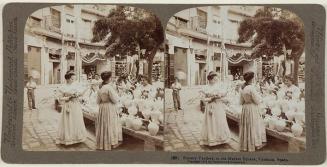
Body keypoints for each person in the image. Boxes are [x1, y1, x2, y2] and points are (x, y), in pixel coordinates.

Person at [200, 71, 231, 147]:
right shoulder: (205, 88)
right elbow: (203, 99)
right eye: (214, 79)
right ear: (210, 79)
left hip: (218, 106)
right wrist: (211, 99)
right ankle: (212, 139)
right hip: (210, 106)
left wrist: (220, 96)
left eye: (216, 79)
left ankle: (221, 139)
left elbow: (223, 95)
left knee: (220, 121)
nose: (215, 81)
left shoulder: (218, 87)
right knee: (211, 122)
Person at [56, 72, 88, 145]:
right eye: (72, 78)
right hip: (68, 105)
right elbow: (59, 98)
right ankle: (68, 138)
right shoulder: (62, 87)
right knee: (68, 121)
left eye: (74, 78)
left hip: (76, 105)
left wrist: (78, 96)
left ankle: (77, 138)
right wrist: (69, 97)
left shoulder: (76, 86)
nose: (73, 80)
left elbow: (81, 94)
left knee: (76, 120)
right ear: (67, 78)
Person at [239, 71, 267, 152]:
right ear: (252, 79)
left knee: (247, 126)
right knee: (253, 125)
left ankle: (246, 144)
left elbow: (240, 102)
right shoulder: (251, 88)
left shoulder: (243, 88)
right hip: (252, 108)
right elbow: (257, 101)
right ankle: (254, 143)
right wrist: (261, 98)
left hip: (245, 108)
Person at [96, 71, 123, 150]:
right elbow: (115, 100)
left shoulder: (100, 88)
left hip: (102, 107)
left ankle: (103, 143)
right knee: (110, 124)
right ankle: (111, 143)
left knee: (104, 125)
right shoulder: (109, 88)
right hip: (109, 107)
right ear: (109, 79)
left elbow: (97, 101)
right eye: (111, 77)